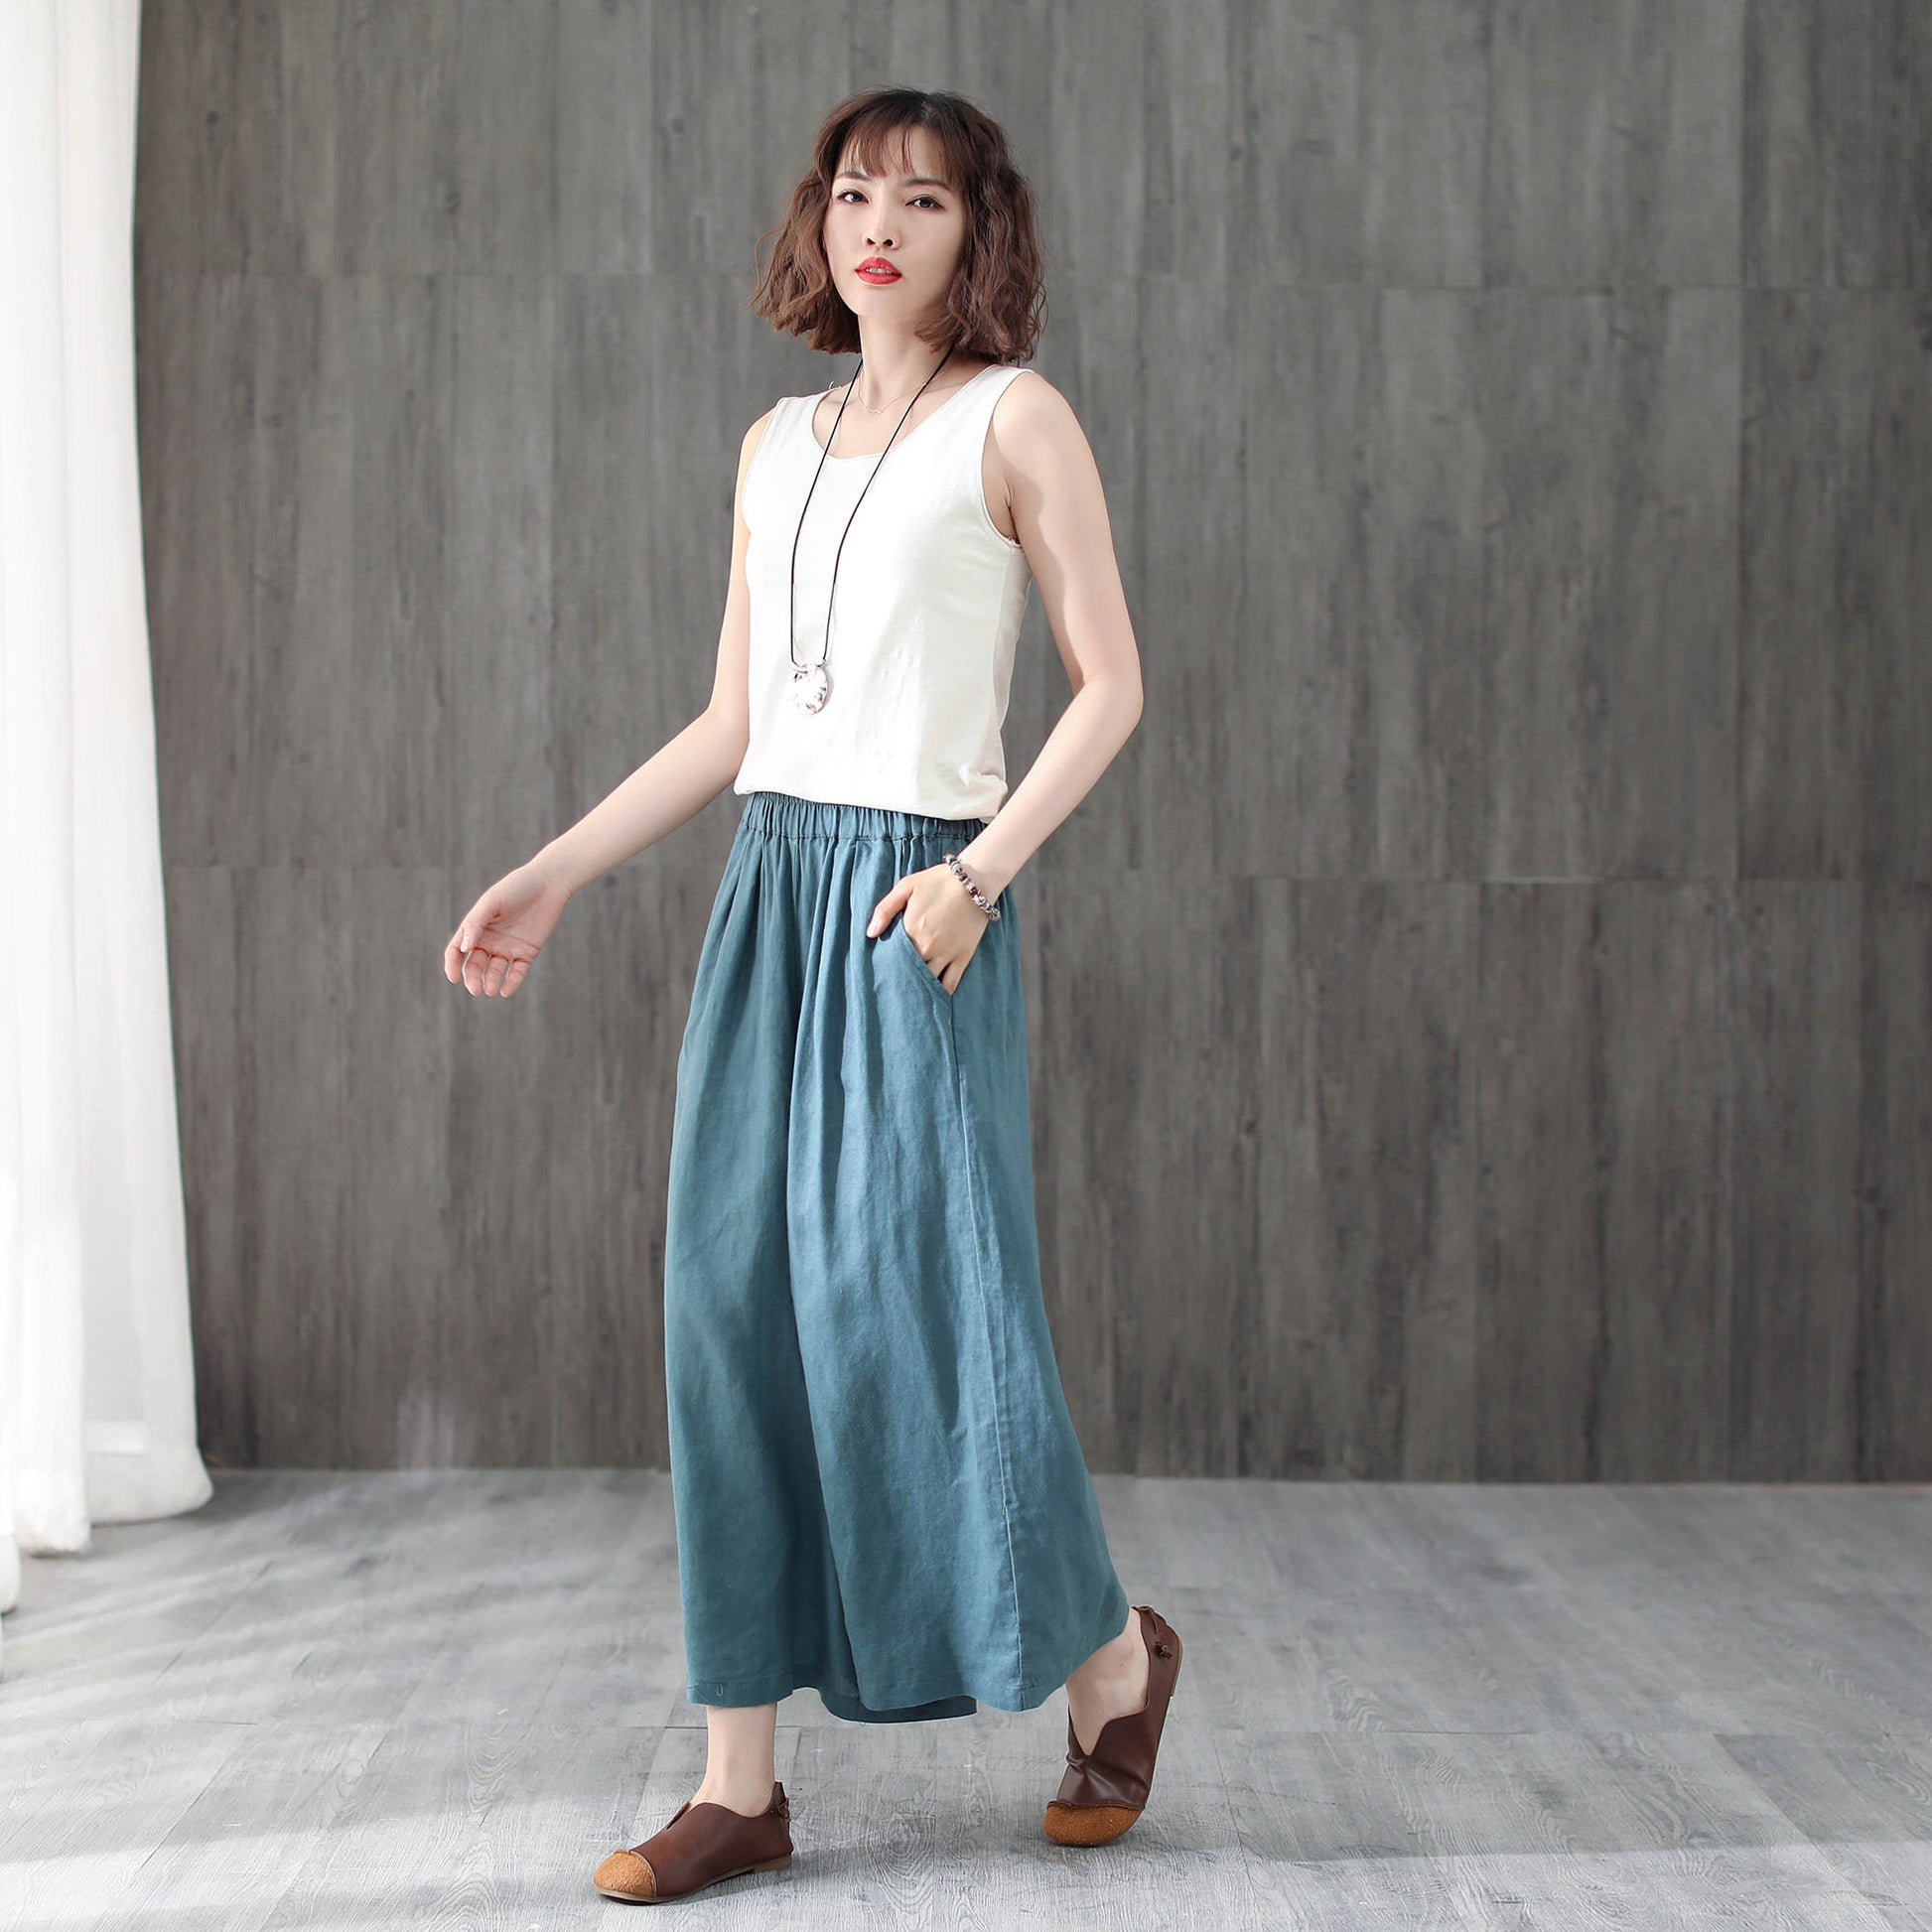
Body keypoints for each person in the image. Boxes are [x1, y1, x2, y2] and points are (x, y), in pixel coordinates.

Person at [442, 86, 1180, 1907]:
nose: (880, 226)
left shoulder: (1016, 418)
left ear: (975, 229)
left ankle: (1107, 1659)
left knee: (921, 1315)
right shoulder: (774, 444)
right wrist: (553, 869)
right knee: (726, 1308)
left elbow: (1110, 684)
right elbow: (734, 723)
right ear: (819, 219)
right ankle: (738, 1782)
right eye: (856, 192)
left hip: (917, 900)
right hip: (770, 890)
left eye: (922, 200)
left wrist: (979, 873)